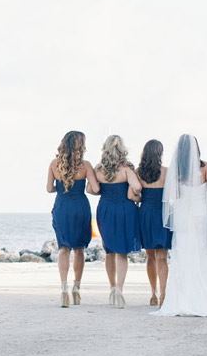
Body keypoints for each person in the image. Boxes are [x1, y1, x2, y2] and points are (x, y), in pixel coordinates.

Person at [152, 134, 207, 317]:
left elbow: (171, 196)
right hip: (199, 215)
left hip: (182, 215)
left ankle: (180, 297)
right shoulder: (203, 167)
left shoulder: (176, 171)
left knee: (182, 252)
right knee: (199, 251)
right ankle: (200, 294)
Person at [46, 131, 99, 307]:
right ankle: (76, 288)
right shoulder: (85, 165)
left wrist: (61, 188)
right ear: (80, 145)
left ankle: (63, 289)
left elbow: (49, 189)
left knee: (63, 248)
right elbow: (95, 188)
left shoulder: (54, 164)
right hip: (80, 208)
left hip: (62, 207)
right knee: (79, 249)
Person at [93, 135, 142, 308]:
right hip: (124, 210)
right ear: (122, 149)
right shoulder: (127, 169)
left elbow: (91, 189)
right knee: (122, 251)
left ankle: (112, 287)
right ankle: (120, 289)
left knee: (109, 250)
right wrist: (135, 194)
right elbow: (137, 187)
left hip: (105, 209)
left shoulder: (98, 170)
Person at [137, 139, 172, 307]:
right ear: (160, 154)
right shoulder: (167, 172)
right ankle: (164, 294)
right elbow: (174, 195)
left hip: (145, 214)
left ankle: (153, 293)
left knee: (150, 255)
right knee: (162, 256)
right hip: (162, 214)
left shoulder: (138, 172)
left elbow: (133, 195)